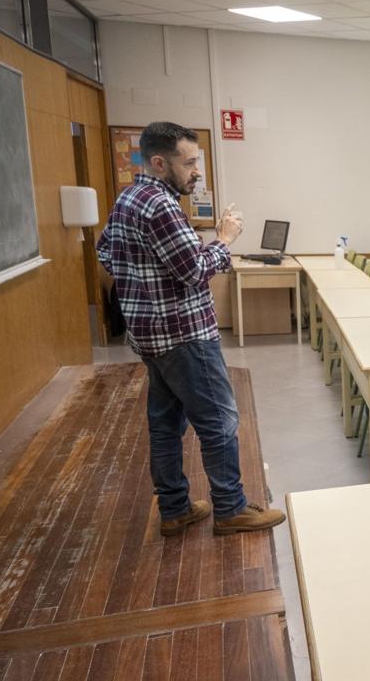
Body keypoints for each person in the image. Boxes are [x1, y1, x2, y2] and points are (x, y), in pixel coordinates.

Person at [95, 121, 285, 537]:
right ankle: (231, 510)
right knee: (218, 420)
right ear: (160, 163)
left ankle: (175, 508)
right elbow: (195, 271)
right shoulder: (162, 205)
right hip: (184, 336)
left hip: (150, 336)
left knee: (165, 424)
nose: (197, 171)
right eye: (190, 163)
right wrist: (224, 238)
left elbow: (106, 251)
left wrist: (143, 281)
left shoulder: (129, 196)